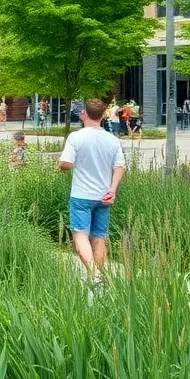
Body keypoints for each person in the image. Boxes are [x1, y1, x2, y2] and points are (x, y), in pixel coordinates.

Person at [56, 99, 125, 285]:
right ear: (103, 116)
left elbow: (67, 163)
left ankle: (94, 276)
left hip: (81, 196)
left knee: (80, 236)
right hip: (103, 196)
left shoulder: (76, 137)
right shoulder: (113, 140)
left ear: (83, 114)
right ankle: (99, 279)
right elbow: (119, 166)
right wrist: (113, 189)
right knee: (99, 237)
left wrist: (60, 166)